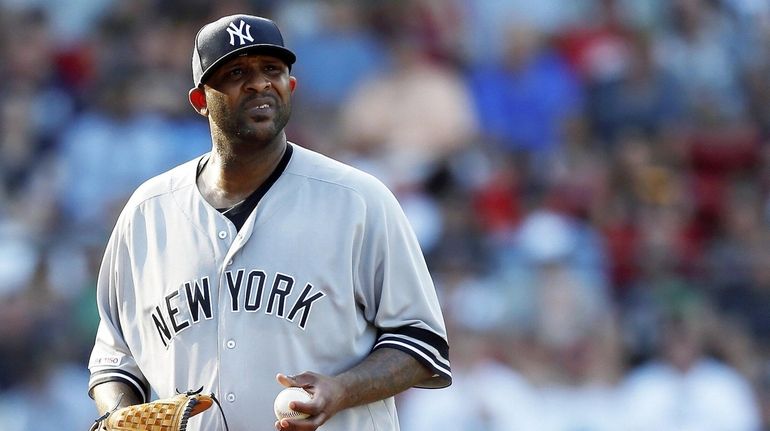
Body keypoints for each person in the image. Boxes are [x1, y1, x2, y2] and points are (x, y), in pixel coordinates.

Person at [86, 14, 451, 431]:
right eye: (236, 72)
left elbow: (422, 344)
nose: (259, 83)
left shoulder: (358, 200)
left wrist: (342, 389)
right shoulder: (148, 213)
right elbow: (115, 360)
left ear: (290, 87)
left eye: (272, 70)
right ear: (200, 100)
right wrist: (119, 415)